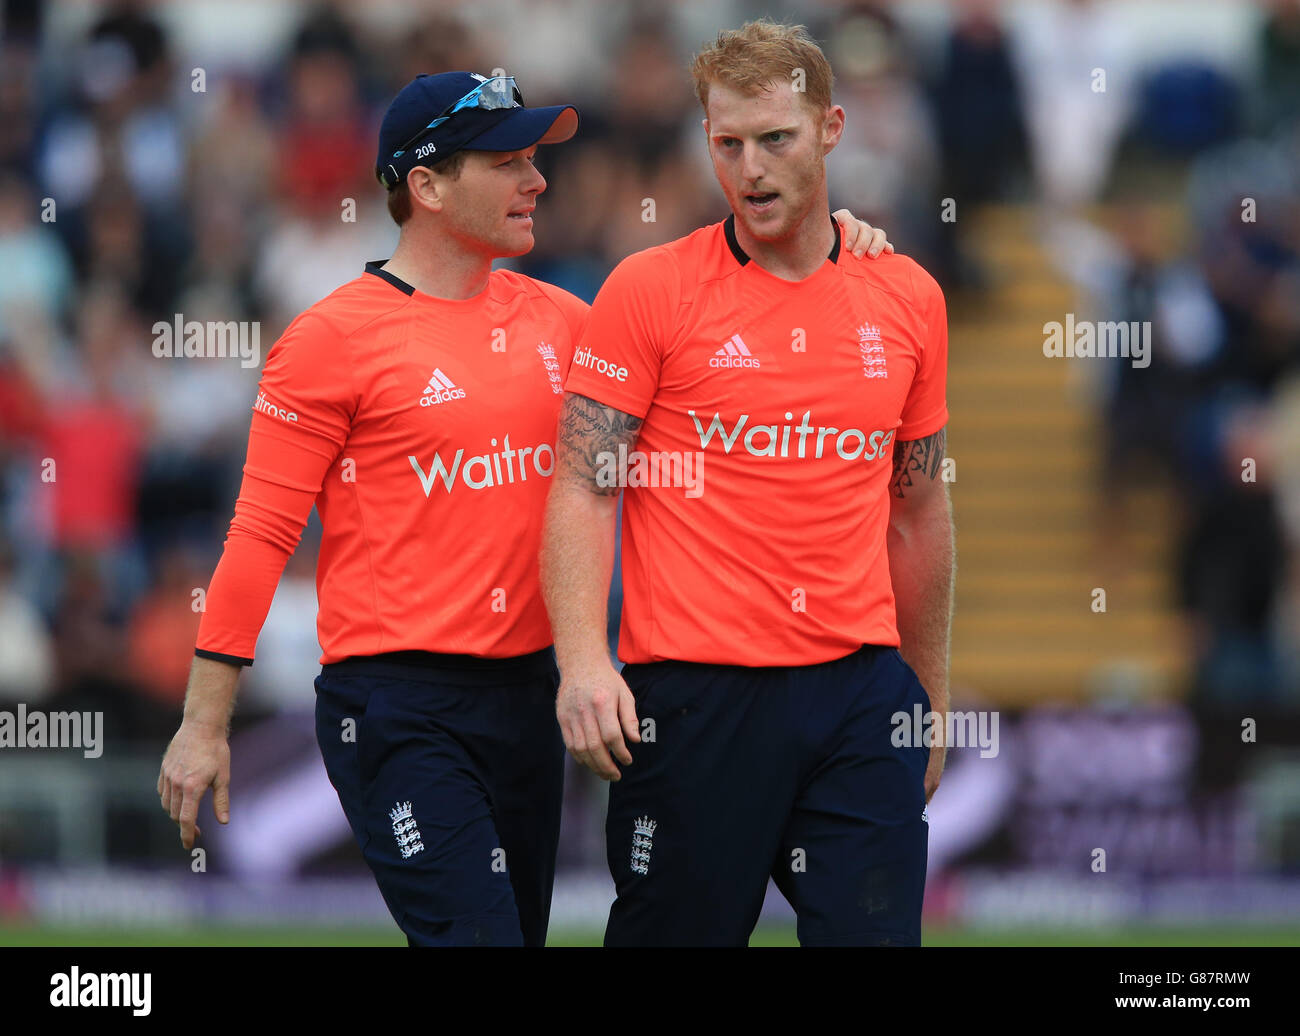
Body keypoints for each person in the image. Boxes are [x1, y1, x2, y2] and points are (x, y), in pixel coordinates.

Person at [157, 70, 894, 947]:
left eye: (535, 160)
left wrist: (825, 247)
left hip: (533, 699)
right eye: (508, 162)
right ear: (426, 186)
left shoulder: (568, 320)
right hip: (399, 707)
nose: (538, 181)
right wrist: (204, 724)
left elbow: (724, 342)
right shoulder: (326, 342)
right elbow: (260, 533)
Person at [542, 21, 954, 947]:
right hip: (693, 703)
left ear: (832, 127)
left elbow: (919, 510)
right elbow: (581, 485)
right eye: (727, 143)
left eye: (777, 138)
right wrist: (581, 661)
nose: (751, 169)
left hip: (857, 697)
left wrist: (926, 699)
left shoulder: (907, 297)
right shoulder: (650, 290)